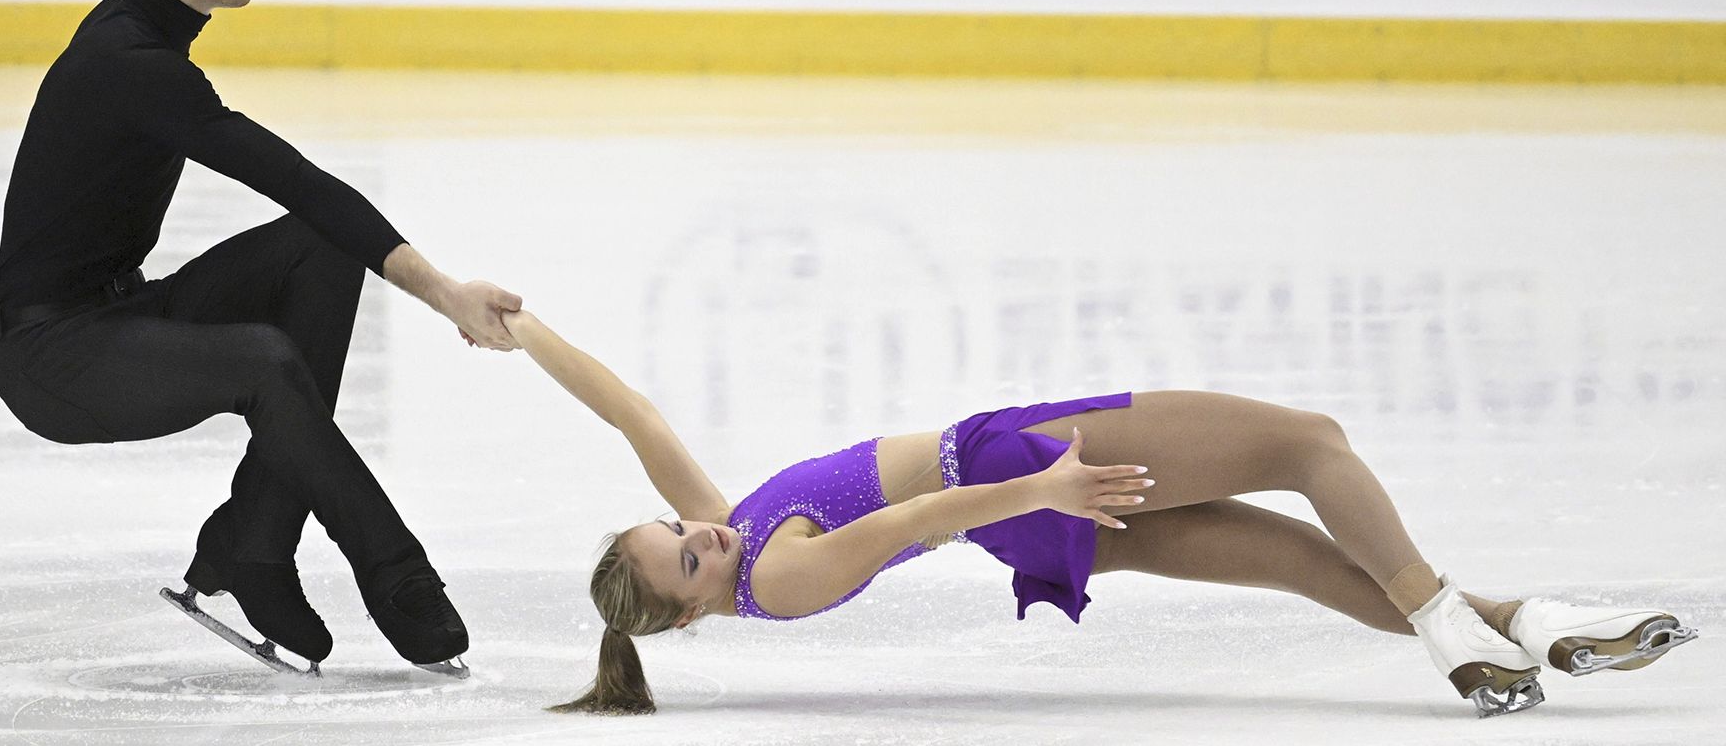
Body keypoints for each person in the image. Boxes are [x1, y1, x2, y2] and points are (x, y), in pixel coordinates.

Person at [494, 310, 1697, 717]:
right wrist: (1046, 480)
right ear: (691, 614)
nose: (700, 534)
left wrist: (521, 328)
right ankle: (1454, 622)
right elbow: (912, 522)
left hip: (1020, 507)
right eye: (687, 560)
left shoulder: (739, 538)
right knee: (1309, 444)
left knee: (1296, 559)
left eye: (677, 530)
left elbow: (632, 413)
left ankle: (1518, 623)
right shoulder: (781, 577)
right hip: (1008, 466)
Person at [0, 0, 517, 673]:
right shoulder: (135, 66)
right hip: (47, 355)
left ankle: (256, 542)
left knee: (321, 248)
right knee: (264, 360)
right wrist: (445, 292)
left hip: (118, 312)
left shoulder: (143, 10)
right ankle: (395, 572)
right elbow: (297, 179)